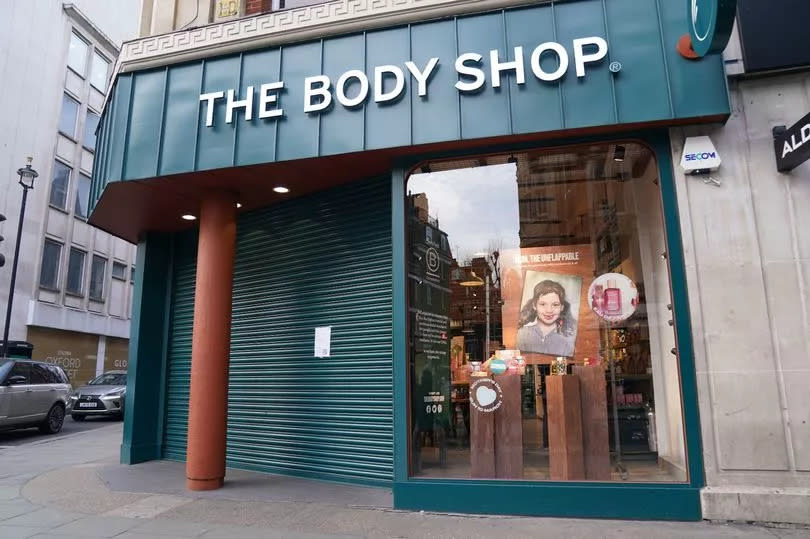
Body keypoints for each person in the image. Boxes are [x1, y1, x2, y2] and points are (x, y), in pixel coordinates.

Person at [516, 279, 577, 357]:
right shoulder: (522, 334)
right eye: (543, 304)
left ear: (562, 307)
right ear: (534, 305)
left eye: (555, 305)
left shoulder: (569, 338)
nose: (549, 310)